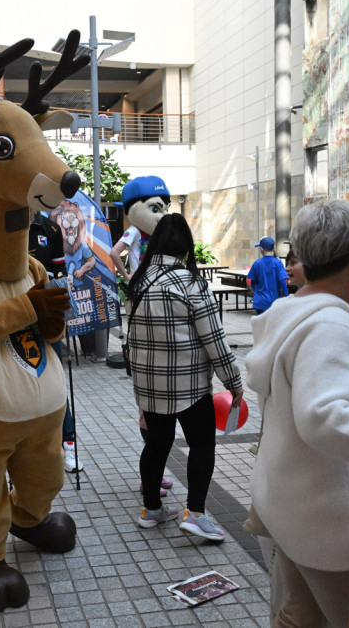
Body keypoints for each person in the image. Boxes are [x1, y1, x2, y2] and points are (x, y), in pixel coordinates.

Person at [244, 200, 349, 626]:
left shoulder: (293, 313)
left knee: (299, 615)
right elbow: (324, 415)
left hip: (294, 505)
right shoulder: (329, 326)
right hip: (333, 522)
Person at [127, 213, 245, 541]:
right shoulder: (190, 282)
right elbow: (214, 340)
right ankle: (195, 514)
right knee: (202, 444)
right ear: (185, 246)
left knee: (156, 445)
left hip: (149, 387)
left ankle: (151, 510)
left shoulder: (138, 282)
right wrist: (233, 382)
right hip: (189, 386)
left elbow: (133, 337)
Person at [25, 210, 81, 473]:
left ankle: (67, 443)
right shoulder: (4, 223)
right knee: (22, 381)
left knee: (56, 380)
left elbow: (59, 272)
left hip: (47, 315)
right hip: (16, 315)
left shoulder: (51, 228)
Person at [248, 236, 288, 314]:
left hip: (260, 301)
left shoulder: (257, 263)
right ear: (273, 249)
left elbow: (252, 282)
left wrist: (254, 288)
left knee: (261, 325)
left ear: (262, 249)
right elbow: (283, 281)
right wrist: (286, 297)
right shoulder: (278, 263)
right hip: (274, 301)